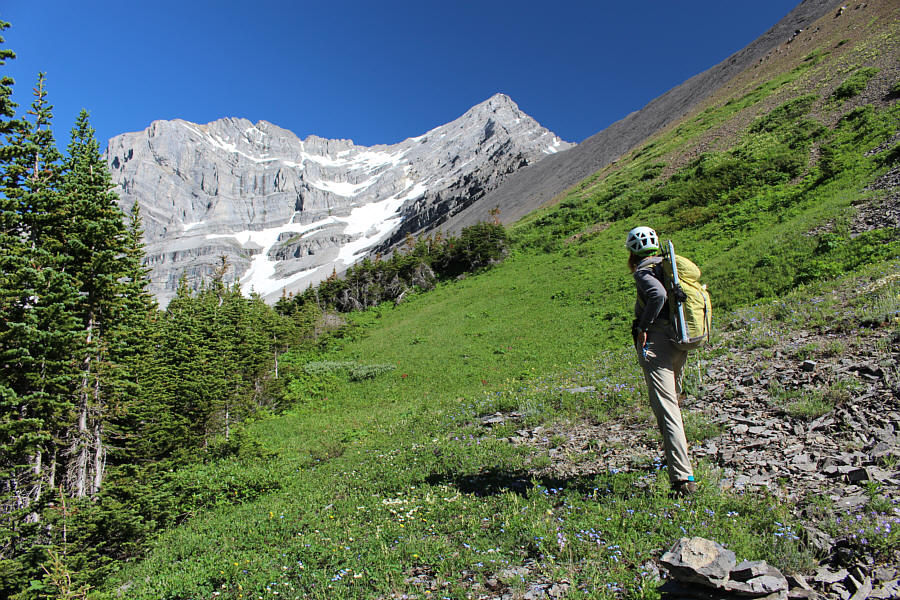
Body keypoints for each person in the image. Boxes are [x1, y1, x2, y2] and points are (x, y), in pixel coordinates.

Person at [626, 226, 697, 497]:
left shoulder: (644, 271)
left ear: (632, 251)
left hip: (658, 345)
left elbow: (657, 296)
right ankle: (676, 457)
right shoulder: (666, 266)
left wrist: (643, 327)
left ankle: (682, 479)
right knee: (673, 402)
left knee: (667, 409)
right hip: (680, 338)